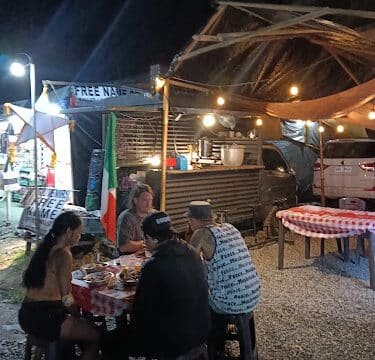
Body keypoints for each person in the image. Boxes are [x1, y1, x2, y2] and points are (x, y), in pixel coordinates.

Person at [102, 211, 210, 359]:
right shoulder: (192, 252)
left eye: (145, 239)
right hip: (201, 331)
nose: (144, 243)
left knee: (109, 339)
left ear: (151, 239)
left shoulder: (153, 265)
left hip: (173, 343)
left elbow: (139, 313)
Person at [18, 211, 99, 360]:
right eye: (78, 233)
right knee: (95, 336)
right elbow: (66, 298)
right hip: (45, 318)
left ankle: (44, 353)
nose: (79, 237)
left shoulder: (46, 247)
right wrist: (76, 315)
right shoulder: (63, 254)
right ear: (68, 231)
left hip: (26, 314)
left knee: (74, 332)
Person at [187, 201, 261, 359]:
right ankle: (242, 347)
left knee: (196, 302)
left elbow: (190, 266)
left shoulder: (200, 233)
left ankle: (212, 349)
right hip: (253, 294)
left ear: (193, 220)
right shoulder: (230, 227)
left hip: (228, 302)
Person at [116, 183, 154, 254]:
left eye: (150, 200)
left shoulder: (154, 215)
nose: (148, 204)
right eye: (144, 200)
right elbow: (124, 247)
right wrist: (147, 243)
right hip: (127, 261)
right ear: (135, 200)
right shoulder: (127, 217)